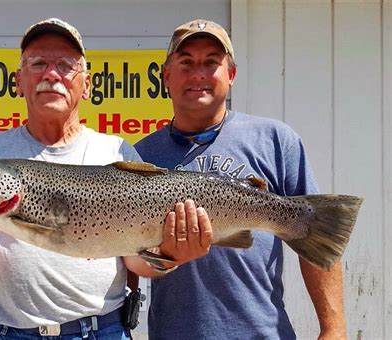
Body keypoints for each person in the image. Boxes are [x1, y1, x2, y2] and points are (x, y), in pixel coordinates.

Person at [0, 18, 212, 339]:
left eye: (66, 66)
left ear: (87, 84)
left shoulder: (117, 150)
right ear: (19, 80)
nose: (51, 74)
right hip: (7, 332)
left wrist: (171, 255)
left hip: (101, 331)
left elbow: (136, 261)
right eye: (38, 63)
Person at [135, 19, 347, 339]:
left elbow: (319, 237)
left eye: (211, 62)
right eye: (186, 62)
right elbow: (125, 258)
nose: (198, 74)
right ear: (166, 75)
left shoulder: (275, 140)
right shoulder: (138, 157)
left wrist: (334, 329)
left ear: (231, 75)